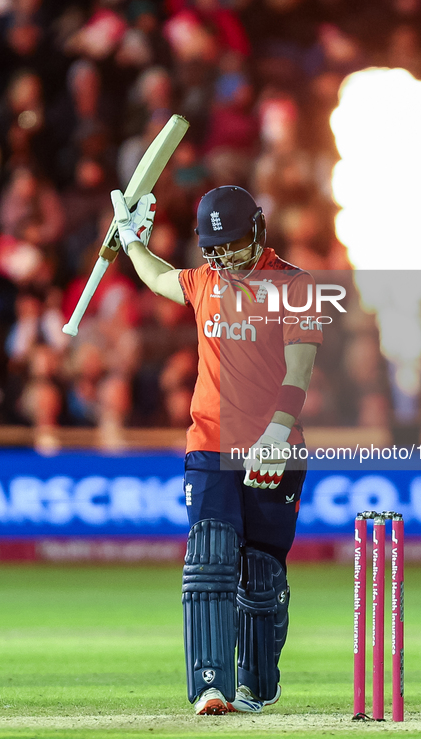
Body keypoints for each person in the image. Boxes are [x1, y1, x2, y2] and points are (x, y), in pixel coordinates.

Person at [110, 185, 322, 715]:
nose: (225, 260)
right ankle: (209, 684)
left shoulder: (296, 286)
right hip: (209, 442)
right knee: (209, 558)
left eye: (234, 247)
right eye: (216, 250)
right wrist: (133, 242)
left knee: (262, 573)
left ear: (258, 231)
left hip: (277, 448)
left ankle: (257, 683)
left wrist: (277, 431)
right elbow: (160, 277)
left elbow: (300, 369)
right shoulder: (205, 280)